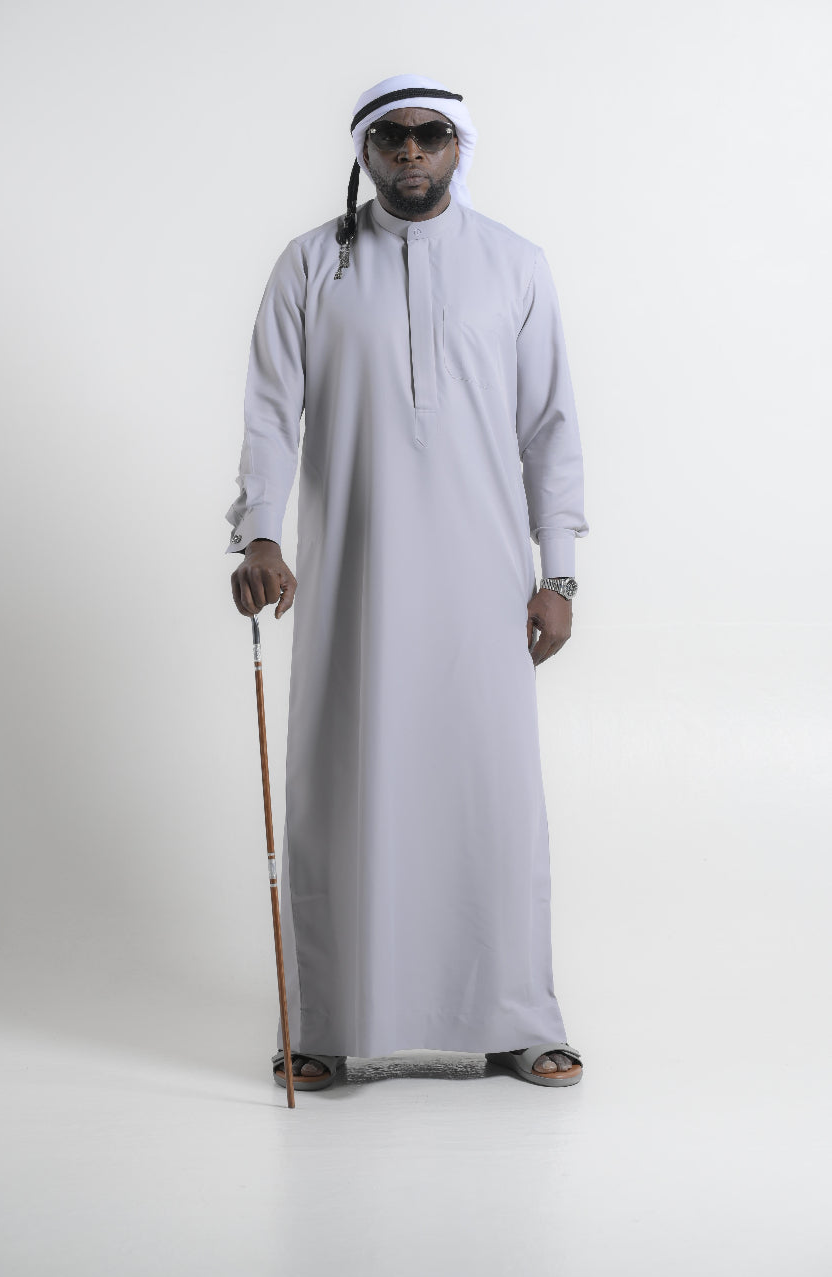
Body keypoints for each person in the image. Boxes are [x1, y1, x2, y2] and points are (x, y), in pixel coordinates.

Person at [226, 73, 589, 1091]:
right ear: (366, 151)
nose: (413, 151)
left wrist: (558, 570)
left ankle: (518, 1018)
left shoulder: (514, 265)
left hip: (484, 581)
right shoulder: (313, 264)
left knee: (491, 795)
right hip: (354, 577)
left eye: (433, 135)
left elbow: (550, 426)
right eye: (393, 137)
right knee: (344, 789)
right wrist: (260, 534)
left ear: (460, 148)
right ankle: (327, 1024)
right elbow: (270, 410)